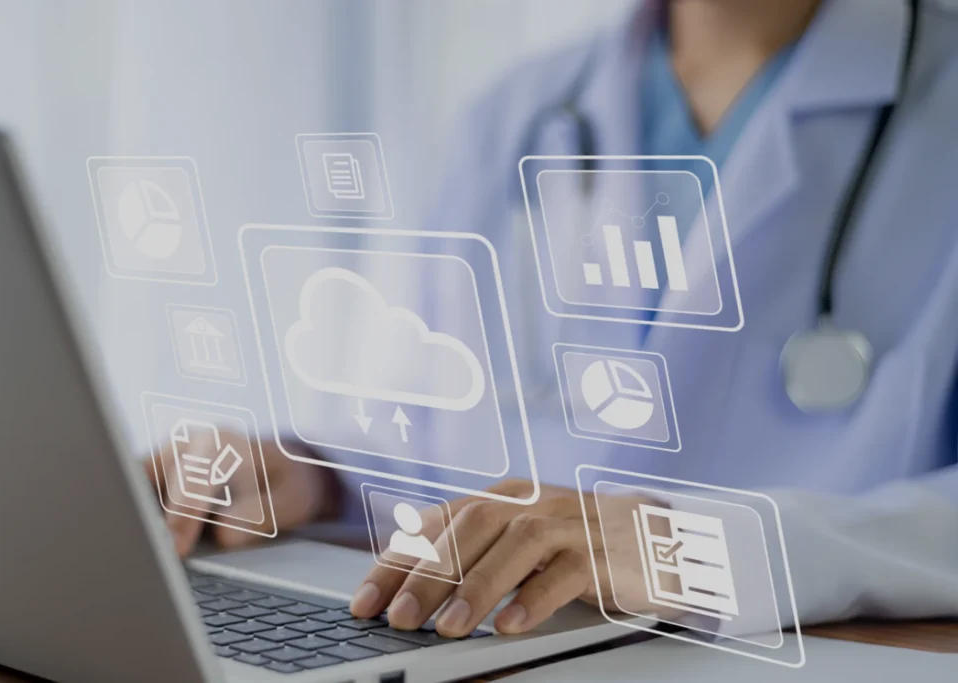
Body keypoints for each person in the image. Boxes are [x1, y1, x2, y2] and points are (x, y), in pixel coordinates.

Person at [151, 0, 958, 639]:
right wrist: (317, 473)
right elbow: (440, 432)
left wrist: (695, 548)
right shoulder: (517, 113)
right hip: (501, 643)